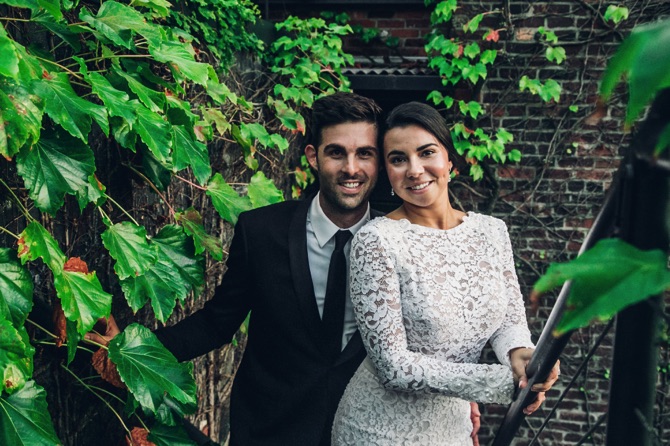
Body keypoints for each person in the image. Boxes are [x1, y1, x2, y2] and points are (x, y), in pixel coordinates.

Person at [87, 94, 555, 446]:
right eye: (336, 153)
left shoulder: (403, 237)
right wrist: (133, 349)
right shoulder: (261, 231)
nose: (352, 168)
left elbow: (438, 329)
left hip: (372, 428)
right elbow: (216, 322)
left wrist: (466, 392)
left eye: (365, 153)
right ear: (313, 156)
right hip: (273, 426)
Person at [331, 102, 558, 445]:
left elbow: (508, 321)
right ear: (388, 172)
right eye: (398, 159)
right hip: (379, 431)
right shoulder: (376, 240)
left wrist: (520, 356)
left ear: (449, 160)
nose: (414, 170)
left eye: (427, 153)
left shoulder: (492, 232)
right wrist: (504, 382)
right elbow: (393, 367)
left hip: (454, 429)